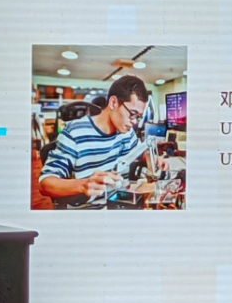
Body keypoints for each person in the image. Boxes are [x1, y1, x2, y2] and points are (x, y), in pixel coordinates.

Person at [39, 76, 166, 208]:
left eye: (138, 117)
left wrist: (152, 159)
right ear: (113, 103)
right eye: (132, 114)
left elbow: (138, 153)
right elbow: (45, 183)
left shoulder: (127, 132)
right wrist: (83, 185)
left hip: (121, 203)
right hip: (92, 210)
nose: (134, 121)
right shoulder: (75, 132)